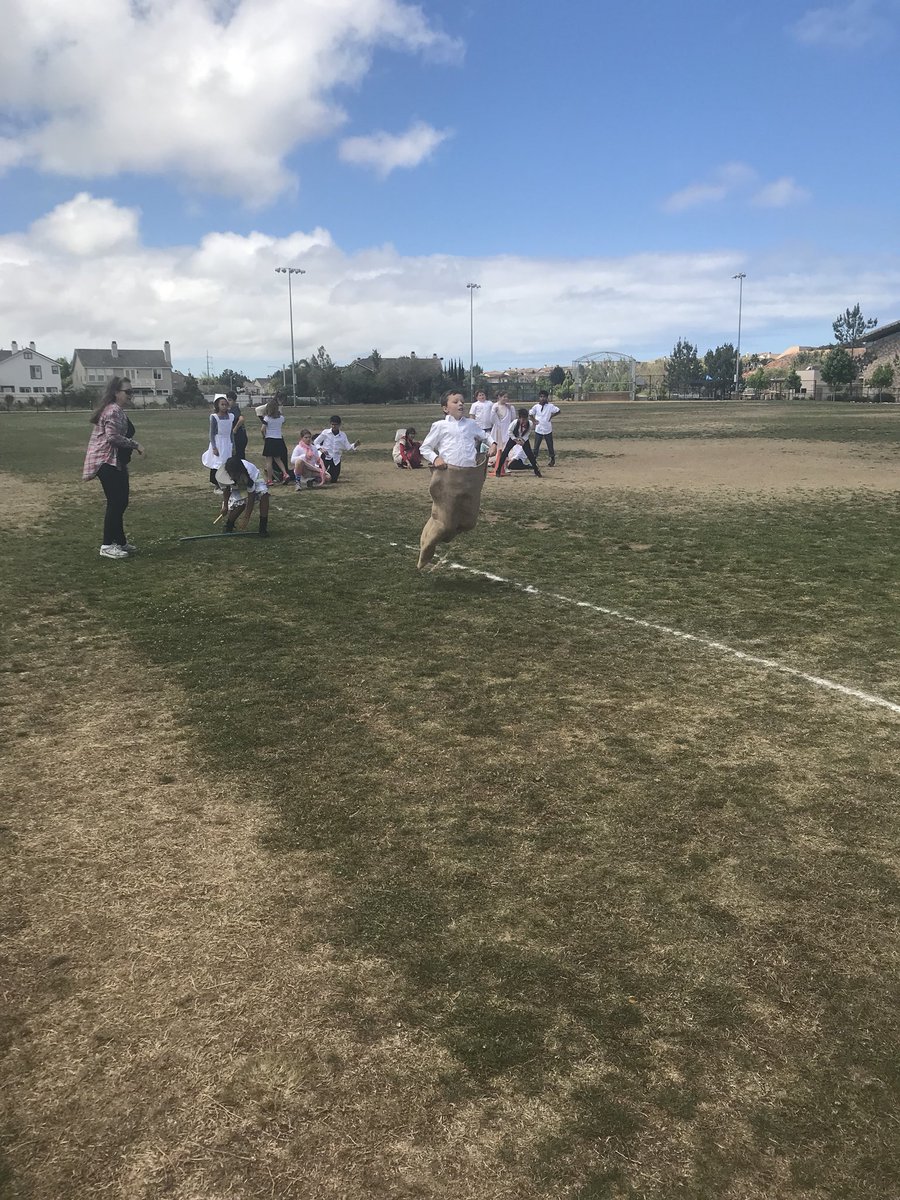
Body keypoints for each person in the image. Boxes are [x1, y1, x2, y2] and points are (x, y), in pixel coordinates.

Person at [417, 390, 489, 569]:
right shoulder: (440, 426)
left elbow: (486, 436)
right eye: (455, 402)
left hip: (469, 478)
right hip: (448, 476)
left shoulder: (471, 424)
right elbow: (425, 448)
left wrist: (493, 443)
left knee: (469, 522)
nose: (460, 404)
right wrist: (435, 459)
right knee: (445, 525)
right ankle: (426, 548)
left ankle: (438, 523)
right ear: (445, 408)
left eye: (462, 401)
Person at [82, 376, 144, 559]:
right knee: (116, 503)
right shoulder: (113, 410)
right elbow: (112, 437)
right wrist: (136, 445)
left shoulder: (117, 410)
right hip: (106, 461)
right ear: (116, 393)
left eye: (132, 392)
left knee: (121, 501)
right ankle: (107, 545)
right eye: (128, 392)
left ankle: (120, 541)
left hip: (116, 462)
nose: (130, 395)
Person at [216, 455, 270, 536]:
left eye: (234, 474)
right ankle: (229, 526)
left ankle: (263, 528)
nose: (233, 476)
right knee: (240, 504)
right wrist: (225, 506)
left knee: (264, 495)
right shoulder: (223, 475)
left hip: (253, 479)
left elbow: (251, 496)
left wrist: (246, 517)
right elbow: (226, 490)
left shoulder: (249, 472)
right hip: (239, 484)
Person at [496, 408, 542, 477]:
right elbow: (509, 432)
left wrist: (523, 440)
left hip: (523, 439)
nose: (524, 421)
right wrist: (515, 440)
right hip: (514, 437)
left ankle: (536, 470)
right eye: (523, 420)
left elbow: (528, 433)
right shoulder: (514, 423)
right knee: (505, 452)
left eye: (525, 419)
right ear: (519, 418)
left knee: (529, 454)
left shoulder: (530, 423)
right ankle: (498, 470)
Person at [314, 415, 361, 483]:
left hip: (336, 459)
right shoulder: (326, 432)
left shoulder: (343, 435)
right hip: (325, 456)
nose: (333, 426)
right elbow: (316, 442)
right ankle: (317, 478)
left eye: (335, 425)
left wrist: (355, 445)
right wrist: (320, 449)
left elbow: (347, 447)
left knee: (334, 480)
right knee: (318, 476)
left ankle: (327, 474)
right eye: (332, 424)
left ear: (339, 425)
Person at [202, 396, 237, 487]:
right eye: (222, 404)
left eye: (226, 404)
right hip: (218, 442)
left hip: (227, 442)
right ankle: (215, 482)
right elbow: (212, 433)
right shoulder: (215, 417)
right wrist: (214, 447)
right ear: (218, 405)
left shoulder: (230, 417)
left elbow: (231, 433)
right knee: (217, 462)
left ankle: (225, 481)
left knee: (226, 462)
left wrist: (233, 445)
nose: (224, 407)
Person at [260, 397, 291, 485]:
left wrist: (264, 436)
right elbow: (283, 419)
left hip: (270, 439)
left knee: (269, 461)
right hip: (279, 439)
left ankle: (269, 480)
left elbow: (262, 429)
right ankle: (285, 473)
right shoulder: (281, 418)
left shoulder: (267, 418)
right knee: (278, 459)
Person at [529, 389, 561, 466]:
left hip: (547, 428)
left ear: (547, 398)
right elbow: (530, 413)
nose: (542, 398)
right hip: (539, 428)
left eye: (544, 397)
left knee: (550, 444)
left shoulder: (550, 406)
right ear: (539, 397)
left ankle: (552, 459)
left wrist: (552, 416)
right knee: (536, 445)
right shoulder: (536, 406)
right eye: (541, 397)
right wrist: (534, 420)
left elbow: (558, 411)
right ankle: (534, 460)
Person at [489, 391, 516, 476]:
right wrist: (494, 411)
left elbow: (513, 419)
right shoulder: (495, 406)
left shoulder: (509, 407)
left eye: (507, 397)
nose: (506, 399)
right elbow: (492, 419)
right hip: (498, 429)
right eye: (504, 397)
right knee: (499, 447)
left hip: (507, 429)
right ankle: (497, 465)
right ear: (499, 397)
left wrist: (511, 409)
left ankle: (505, 466)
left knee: (506, 448)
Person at [228, 391, 248, 461]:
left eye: (230, 400)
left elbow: (241, 419)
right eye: (227, 400)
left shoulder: (234, 409)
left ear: (234, 401)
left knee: (239, 458)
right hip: (240, 437)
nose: (228, 402)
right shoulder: (232, 410)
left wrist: (235, 429)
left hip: (239, 437)